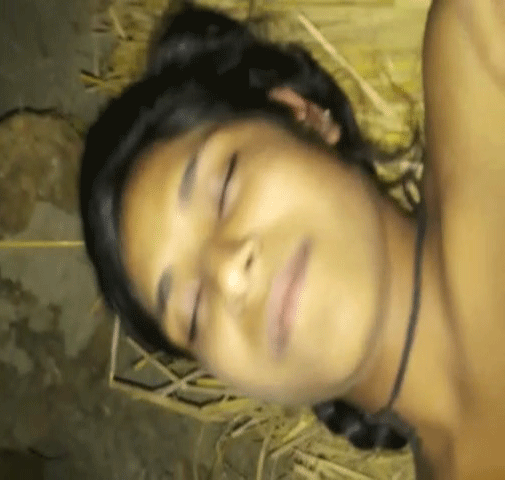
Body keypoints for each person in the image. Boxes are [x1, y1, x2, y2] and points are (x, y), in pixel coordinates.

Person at [79, 0, 505, 477]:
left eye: (224, 187)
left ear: (302, 114)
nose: (228, 273)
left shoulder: (482, 42)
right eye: (194, 310)